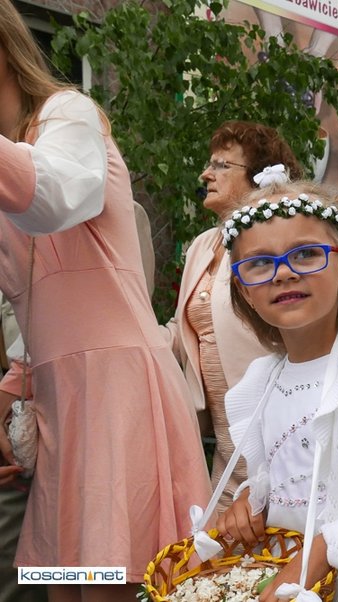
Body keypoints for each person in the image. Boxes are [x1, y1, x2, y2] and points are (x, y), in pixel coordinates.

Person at [0, 2, 211, 599]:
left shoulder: (67, 113)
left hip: (116, 393)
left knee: (105, 587)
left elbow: (51, 197)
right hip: (60, 405)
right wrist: (9, 396)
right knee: (60, 585)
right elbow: (35, 310)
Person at [214, 182, 338, 602]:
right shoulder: (260, 382)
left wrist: (323, 551)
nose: (284, 272)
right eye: (261, 263)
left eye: (306, 254)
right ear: (244, 291)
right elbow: (277, 475)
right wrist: (250, 501)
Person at [164, 121, 302, 513]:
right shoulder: (203, 245)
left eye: (222, 165)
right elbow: (181, 330)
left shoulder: (274, 246)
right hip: (224, 451)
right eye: (210, 164)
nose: (206, 174)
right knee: (215, 546)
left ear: (259, 176)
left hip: (277, 437)